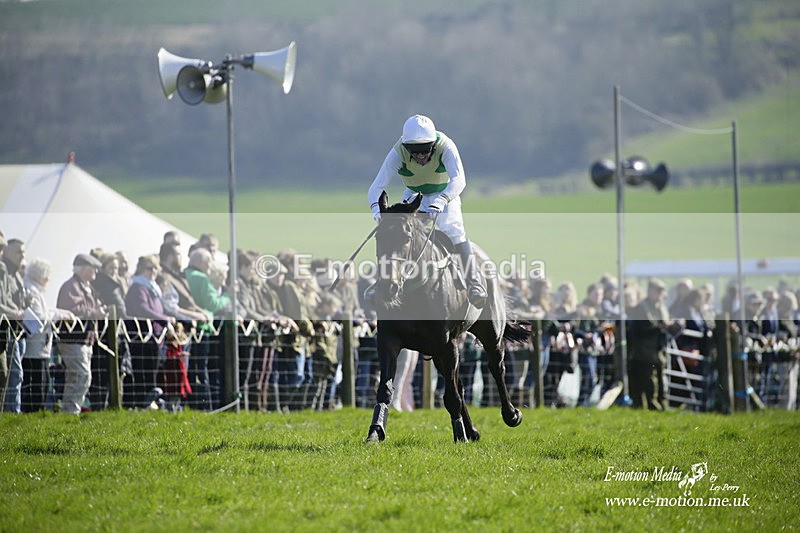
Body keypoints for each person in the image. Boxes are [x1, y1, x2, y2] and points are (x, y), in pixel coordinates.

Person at [367, 114, 487, 308]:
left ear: (433, 145)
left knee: (453, 230)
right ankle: (383, 283)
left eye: (425, 150)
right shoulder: (398, 152)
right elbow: (376, 188)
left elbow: (459, 180)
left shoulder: (446, 146)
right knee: (396, 233)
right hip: (415, 197)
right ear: (407, 148)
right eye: (415, 151)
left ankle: (474, 283)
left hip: (445, 195)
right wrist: (378, 215)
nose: (421, 156)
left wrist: (441, 200)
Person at [56, 253, 108, 415]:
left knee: (80, 376)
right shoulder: (71, 286)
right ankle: (70, 411)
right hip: (73, 339)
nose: (96, 272)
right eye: (94, 268)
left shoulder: (86, 287)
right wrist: (95, 312)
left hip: (84, 340)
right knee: (81, 375)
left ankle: (71, 411)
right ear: (84, 268)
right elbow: (72, 309)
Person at [21, 258, 74, 412]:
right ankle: (33, 415)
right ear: (41, 275)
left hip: (40, 347)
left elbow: (45, 312)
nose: (49, 279)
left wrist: (60, 313)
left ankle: (37, 414)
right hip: (35, 348)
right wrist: (59, 316)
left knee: (42, 384)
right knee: (37, 386)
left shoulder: (35, 291)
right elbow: (39, 319)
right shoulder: (32, 291)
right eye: (47, 275)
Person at [125, 255, 175, 409]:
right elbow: (142, 309)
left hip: (155, 337)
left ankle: (150, 400)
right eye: (149, 268)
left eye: (155, 268)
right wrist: (165, 319)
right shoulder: (137, 287)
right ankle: (142, 402)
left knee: (152, 370)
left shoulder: (152, 288)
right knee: (143, 371)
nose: (153, 271)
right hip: (143, 337)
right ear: (141, 269)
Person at [627, 278, 681, 410]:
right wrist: (662, 326)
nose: (660, 295)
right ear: (650, 291)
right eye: (658, 291)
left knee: (661, 380)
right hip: (644, 352)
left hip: (658, 351)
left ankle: (662, 403)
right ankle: (651, 405)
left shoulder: (661, 307)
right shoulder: (641, 308)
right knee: (649, 381)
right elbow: (642, 329)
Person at [1, 238, 26, 413]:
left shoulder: (15, 273)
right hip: (7, 326)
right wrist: (14, 311)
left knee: (11, 374)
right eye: (18, 251)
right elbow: (3, 300)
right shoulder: (4, 269)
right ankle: (11, 413)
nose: (22, 255)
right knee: (12, 374)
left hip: (16, 329)